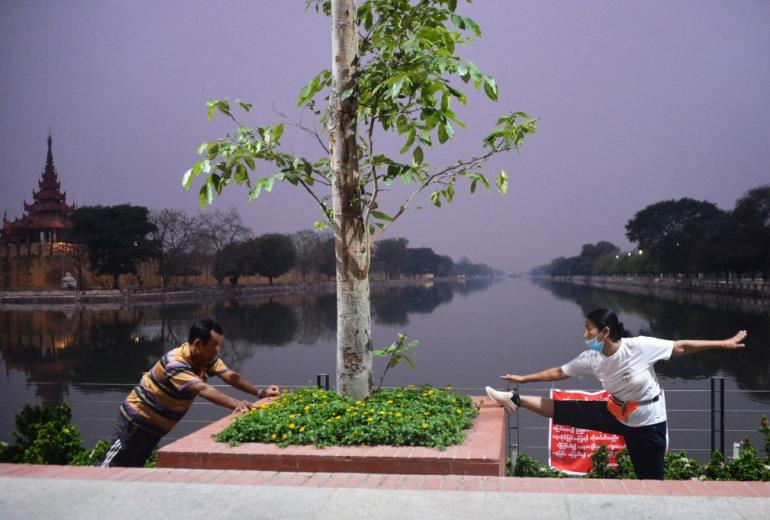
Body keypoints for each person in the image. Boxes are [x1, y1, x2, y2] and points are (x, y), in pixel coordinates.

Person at [485, 308, 746, 480]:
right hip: (614, 411)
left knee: (650, 480)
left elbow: (680, 347)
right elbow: (558, 372)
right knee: (564, 410)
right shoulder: (592, 358)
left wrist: (722, 344)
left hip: (647, 422)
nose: (585, 334)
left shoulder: (639, 347)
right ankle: (514, 399)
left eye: (589, 328)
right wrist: (523, 379)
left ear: (605, 331)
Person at [101, 318, 280, 467]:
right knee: (111, 469)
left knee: (132, 470)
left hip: (154, 429)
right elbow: (202, 389)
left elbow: (230, 376)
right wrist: (236, 404)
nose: (218, 350)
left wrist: (260, 393)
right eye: (215, 345)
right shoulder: (176, 363)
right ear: (197, 344)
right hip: (136, 423)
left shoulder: (204, 358)